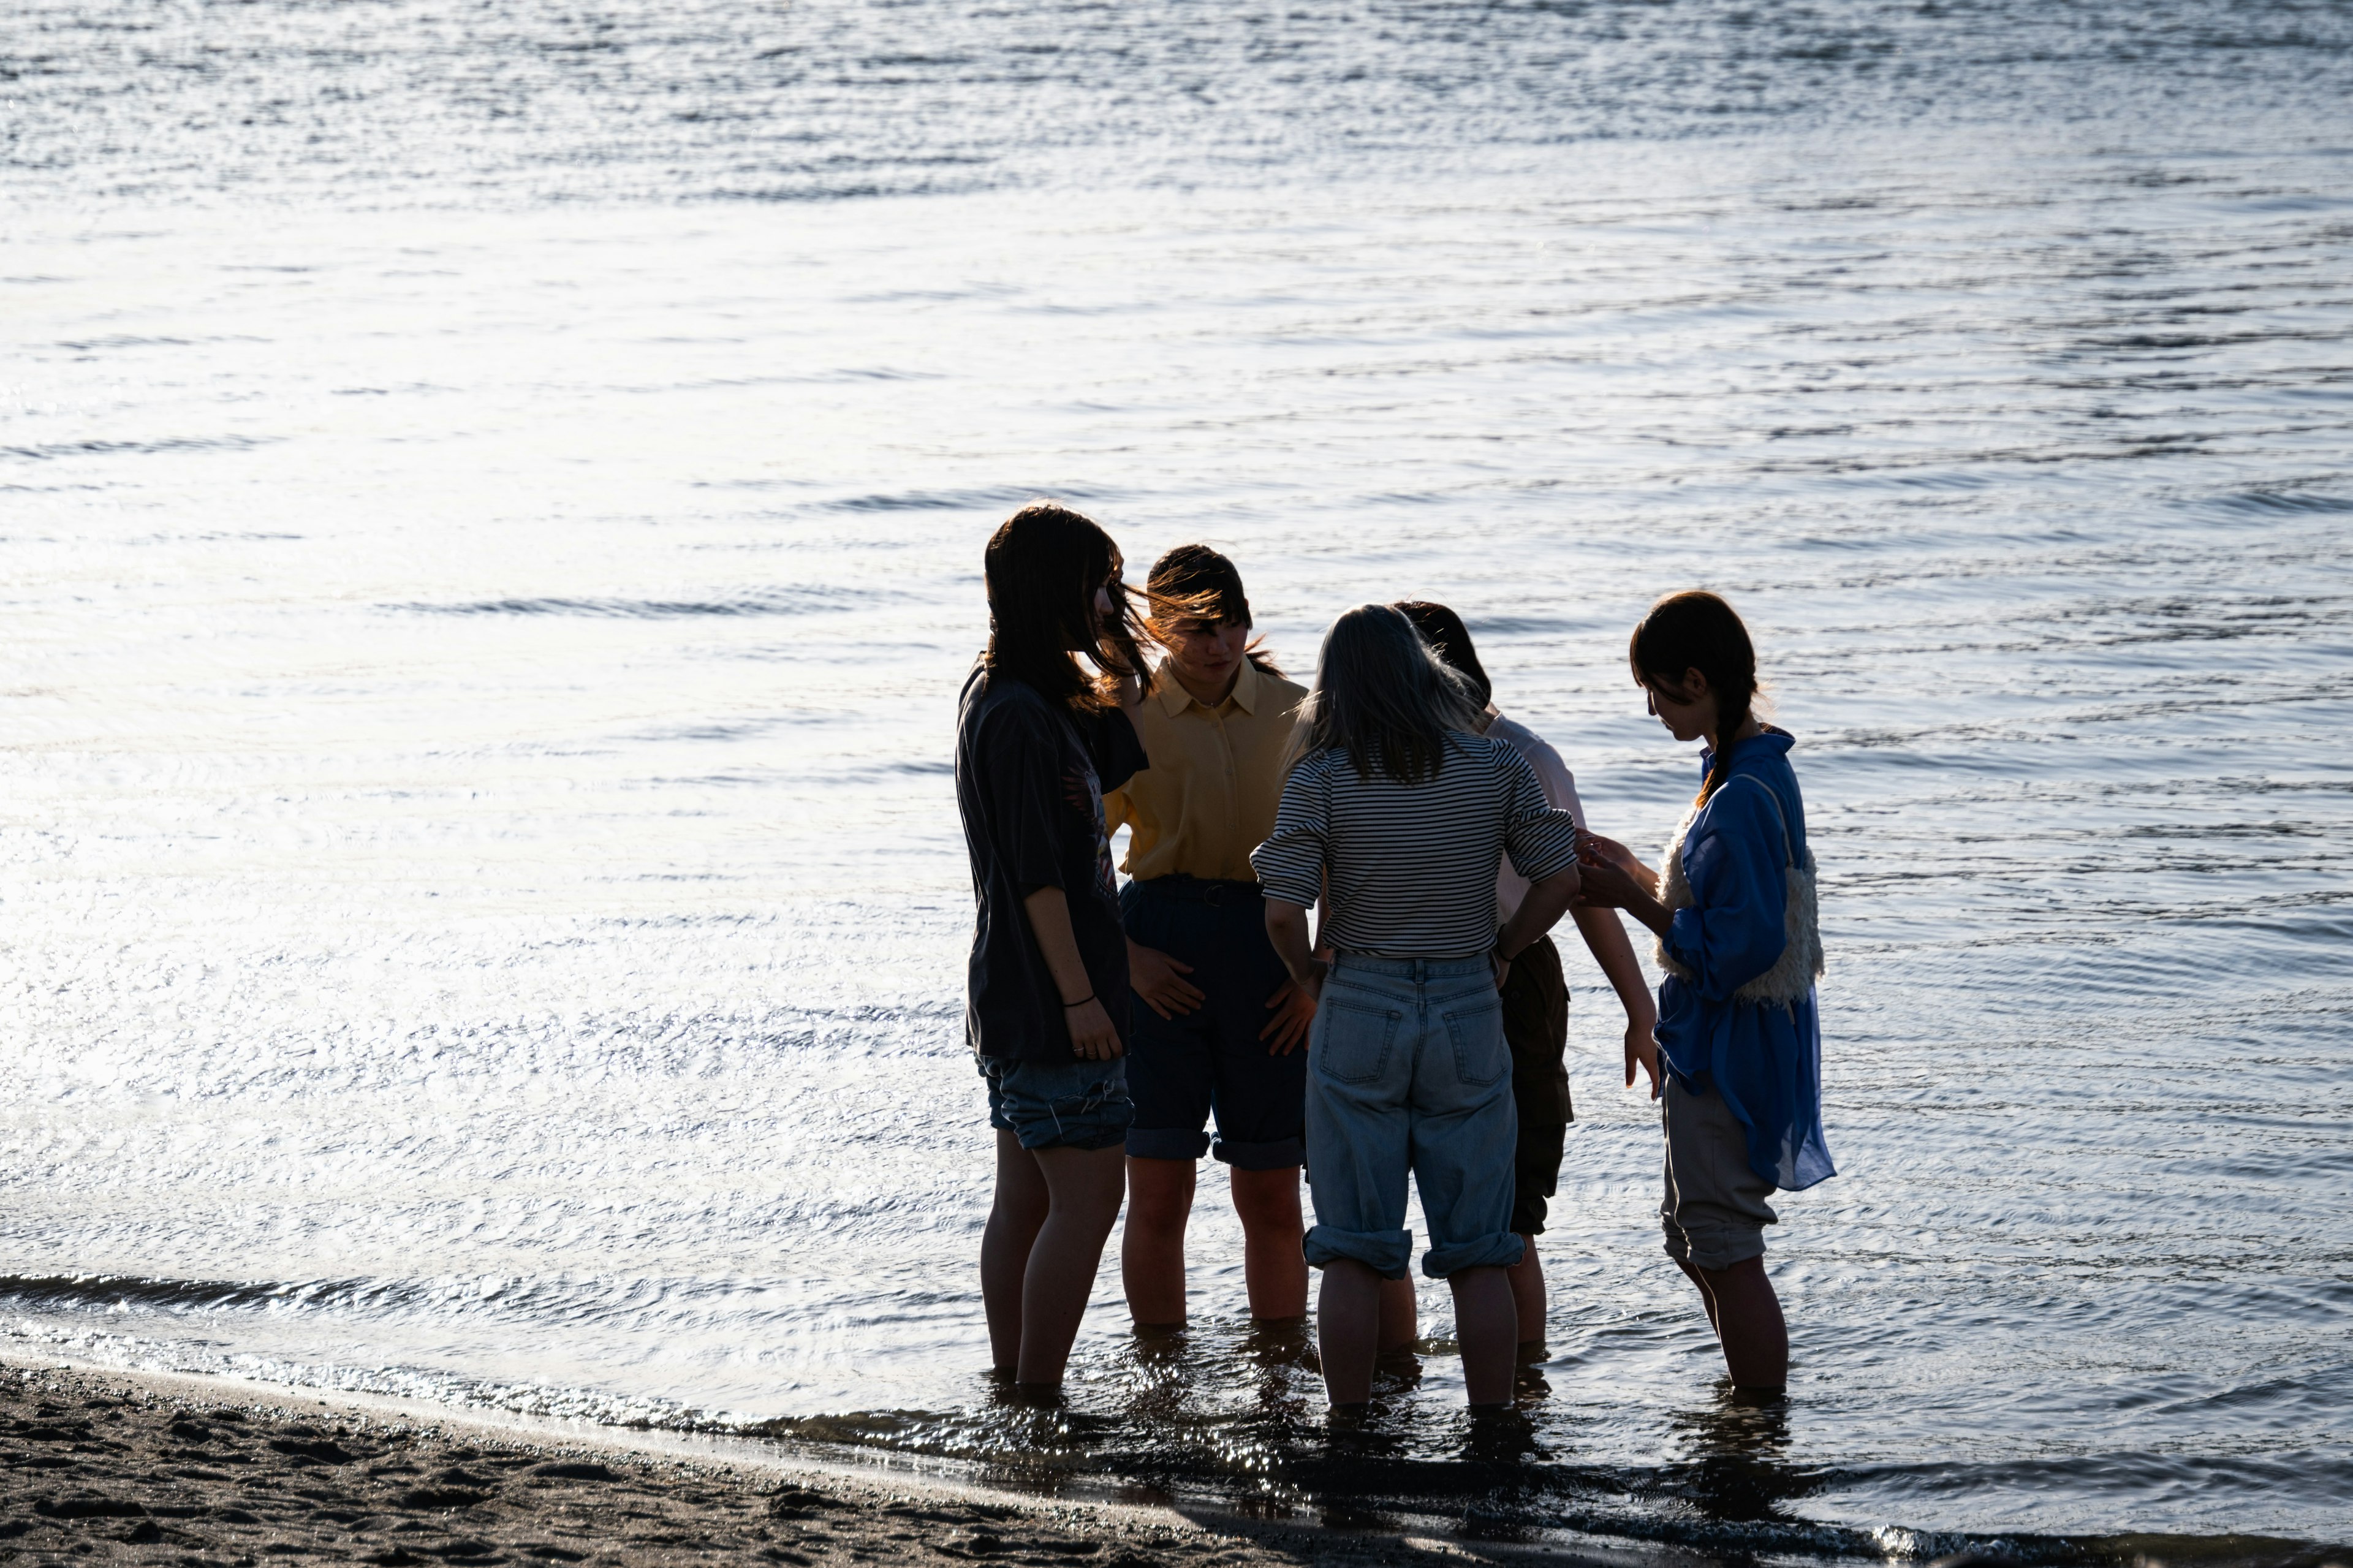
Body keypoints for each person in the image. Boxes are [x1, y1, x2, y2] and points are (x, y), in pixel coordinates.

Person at [1251, 604, 1583, 1412]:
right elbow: (1563, 877)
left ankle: (1353, 1432)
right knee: (1479, 1249)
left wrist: (1308, 975)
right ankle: (1495, 1430)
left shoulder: (1321, 778)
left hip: (1360, 998)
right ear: (1426, 673)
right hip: (1469, 1000)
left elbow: (1282, 910)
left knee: (1356, 1250)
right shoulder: (1494, 766)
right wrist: (1505, 952)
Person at [1573, 590, 1835, 1396]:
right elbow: (1722, 910)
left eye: (1655, 689)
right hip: (1727, 1040)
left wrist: (1630, 897)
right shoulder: (1745, 767)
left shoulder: (1743, 795)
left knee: (1720, 1240)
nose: (1650, 707)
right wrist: (1632, 867)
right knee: (1695, 1237)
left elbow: (1733, 952)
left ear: (1695, 678)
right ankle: (1746, 1404)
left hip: (1733, 1048)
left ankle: (1758, 1422)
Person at [1392, 602, 1661, 1350]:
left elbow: (1581, 886)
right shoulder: (1365, 755)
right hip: (1401, 975)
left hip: (1516, 979)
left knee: (1508, 1214)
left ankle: (1522, 1389)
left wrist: (1640, 1011)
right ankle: (1394, 1393)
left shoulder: (1522, 755)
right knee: (1381, 1211)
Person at [953, 501, 1151, 1392]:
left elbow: (1118, 754)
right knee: (1086, 1201)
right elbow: (1039, 874)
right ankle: (1036, 1392)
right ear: (1056, 590)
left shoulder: (1023, 692)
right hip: (1050, 996)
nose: (1114, 598)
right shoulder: (1020, 714)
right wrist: (1081, 1000)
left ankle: (1015, 1383)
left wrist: (1116, 648)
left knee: (1029, 1197)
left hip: (1014, 993)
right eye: (1101, 583)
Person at [1102, 545, 1317, 1327]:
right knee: (1158, 1186)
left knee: (1270, 1185)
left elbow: (1353, 852)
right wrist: (1127, 960)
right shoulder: (1126, 716)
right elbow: (1079, 851)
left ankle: (1280, 1370)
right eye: (1197, 629)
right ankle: (1160, 1368)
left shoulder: (1302, 713)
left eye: (1230, 625)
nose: (1219, 645)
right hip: (1159, 941)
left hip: (1273, 947)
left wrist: (1314, 975)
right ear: (1159, 628)